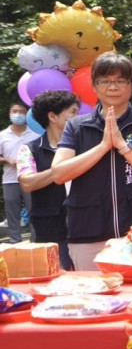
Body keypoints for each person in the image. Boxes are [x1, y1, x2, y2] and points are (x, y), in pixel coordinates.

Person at [51, 53, 132, 269]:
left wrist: (124, 147)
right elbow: (59, 173)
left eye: (120, 81)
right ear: (94, 86)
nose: (112, 87)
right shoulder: (77, 126)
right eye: (105, 80)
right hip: (88, 231)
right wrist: (103, 146)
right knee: (92, 297)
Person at [17, 90, 80, 266]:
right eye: (73, 112)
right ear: (53, 117)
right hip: (50, 229)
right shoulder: (29, 149)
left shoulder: (85, 146)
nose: (78, 117)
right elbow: (27, 182)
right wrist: (63, 168)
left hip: (86, 227)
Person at [0, 103, 34, 242]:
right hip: (10, 179)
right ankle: (15, 240)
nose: (18, 114)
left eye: (21, 111)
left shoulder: (34, 135)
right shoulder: (2, 135)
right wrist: (8, 160)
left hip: (31, 179)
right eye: (15, 111)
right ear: (9, 114)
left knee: (34, 210)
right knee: (12, 212)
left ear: (27, 114)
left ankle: (36, 240)